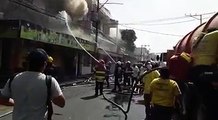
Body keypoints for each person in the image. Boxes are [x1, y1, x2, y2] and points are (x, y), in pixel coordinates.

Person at [0, 48, 65, 120]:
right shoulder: (49, 81)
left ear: (28, 63)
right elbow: (61, 103)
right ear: (45, 64)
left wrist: (17, 102)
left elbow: (2, 100)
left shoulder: (14, 78)